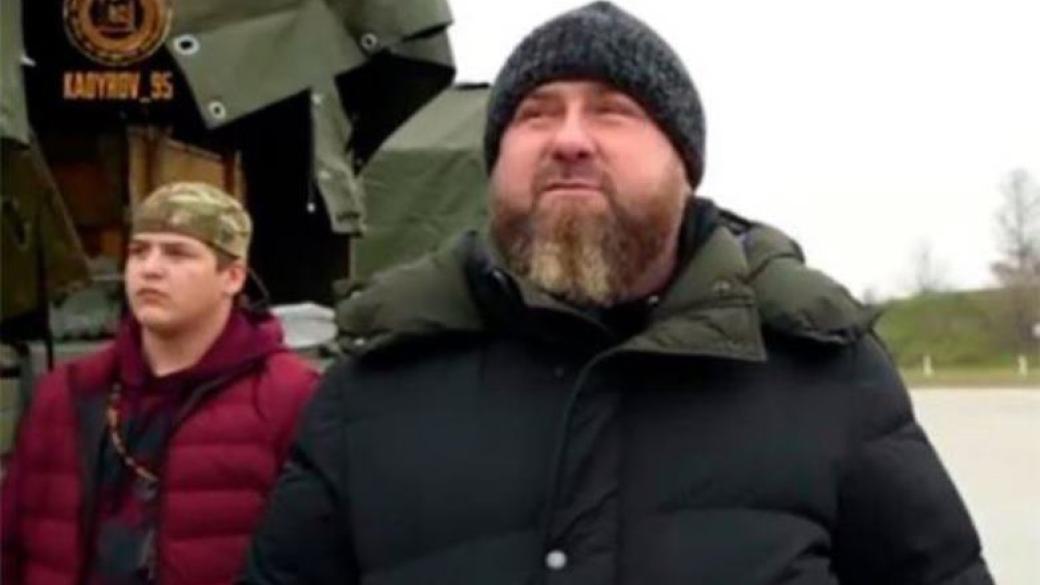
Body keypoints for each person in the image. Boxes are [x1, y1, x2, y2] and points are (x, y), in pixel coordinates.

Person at [242, 3, 993, 584]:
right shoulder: (370, 385)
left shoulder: (827, 372)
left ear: (684, 165)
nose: (569, 138)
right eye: (535, 114)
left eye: (613, 111)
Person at [1, 182, 319, 585]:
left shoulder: (289, 395)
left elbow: (315, 554)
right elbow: (10, 542)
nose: (149, 268)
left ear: (232, 276)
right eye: (139, 251)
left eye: (177, 253)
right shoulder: (66, 393)